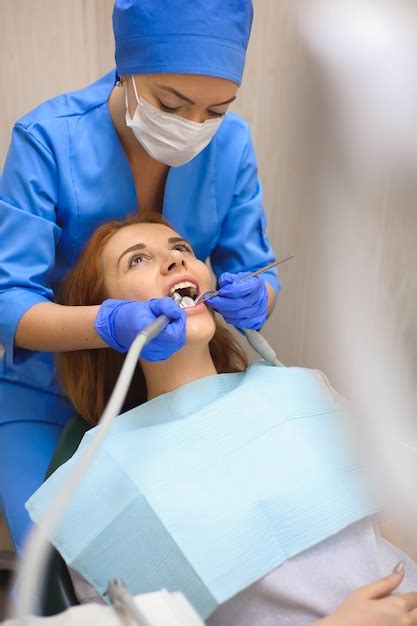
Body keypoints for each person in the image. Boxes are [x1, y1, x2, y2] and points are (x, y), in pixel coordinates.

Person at [27, 212, 417, 626]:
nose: (176, 261)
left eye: (182, 249)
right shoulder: (96, 486)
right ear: (103, 318)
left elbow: (399, 519)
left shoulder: (303, 391)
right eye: (136, 260)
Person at [0, 0, 280, 552]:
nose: (193, 127)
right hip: (49, 397)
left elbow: (255, 268)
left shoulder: (232, 145)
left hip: (173, 394)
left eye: (216, 110)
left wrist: (259, 297)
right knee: (58, 559)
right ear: (126, 69)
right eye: (171, 104)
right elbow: (8, 300)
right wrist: (108, 324)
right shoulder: (48, 140)